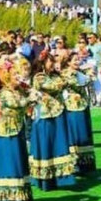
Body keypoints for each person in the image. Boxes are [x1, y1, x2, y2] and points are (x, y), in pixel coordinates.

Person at [0, 57, 36, 201]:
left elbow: (27, 103)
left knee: (19, 164)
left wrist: (33, 96)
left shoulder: (19, 90)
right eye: (15, 74)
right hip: (5, 134)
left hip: (17, 130)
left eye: (18, 74)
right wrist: (30, 98)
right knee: (11, 165)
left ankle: (21, 197)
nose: (18, 76)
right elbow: (17, 104)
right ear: (8, 76)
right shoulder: (5, 92)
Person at [29, 52, 76, 191]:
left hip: (58, 112)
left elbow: (69, 82)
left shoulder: (55, 76)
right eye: (50, 61)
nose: (53, 64)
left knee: (58, 144)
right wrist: (66, 77)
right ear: (43, 63)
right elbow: (55, 86)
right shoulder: (39, 77)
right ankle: (45, 179)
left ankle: (60, 177)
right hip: (45, 115)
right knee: (46, 144)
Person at [63, 52, 97, 175]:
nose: (77, 62)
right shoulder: (67, 74)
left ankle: (86, 163)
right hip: (72, 107)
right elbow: (77, 84)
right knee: (76, 135)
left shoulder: (80, 72)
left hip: (83, 105)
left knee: (84, 134)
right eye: (74, 60)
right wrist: (88, 77)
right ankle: (75, 163)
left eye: (78, 60)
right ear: (68, 62)